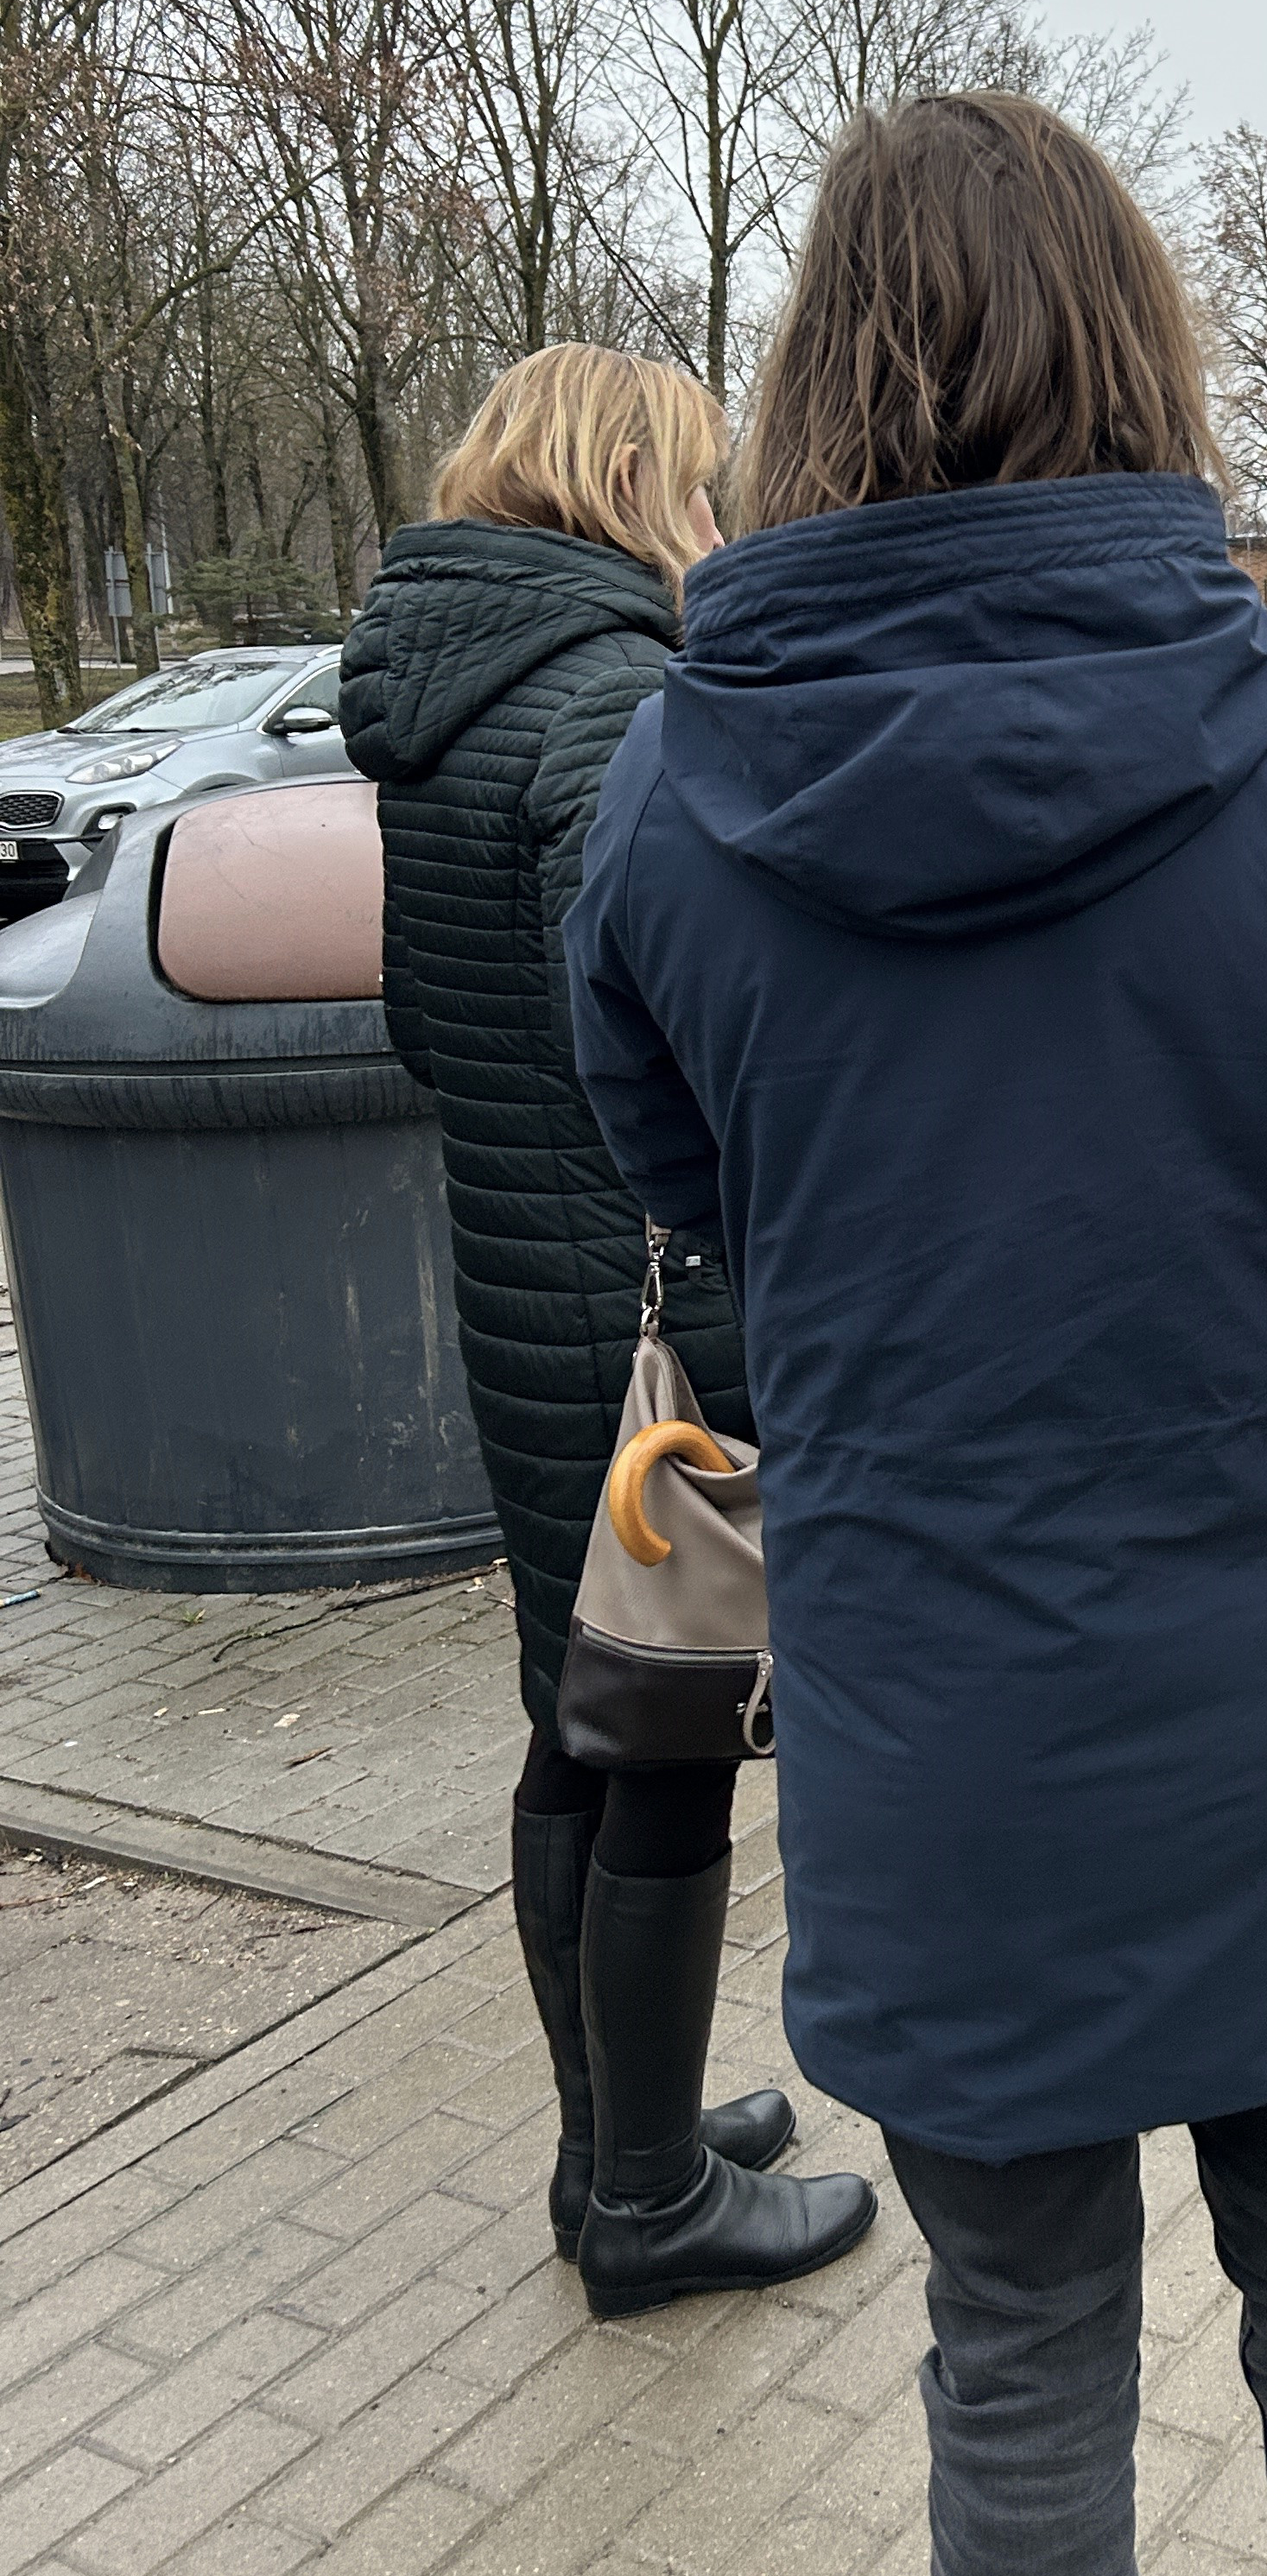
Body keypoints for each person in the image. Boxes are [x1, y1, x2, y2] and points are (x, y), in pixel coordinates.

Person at [562, 95, 1267, 2576]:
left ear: (816, 379)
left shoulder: (666, 818)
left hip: (944, 1743)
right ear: (1146, 347)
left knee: (1018, 2374)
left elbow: (718, 1214)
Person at [339, 346, 876, 2317]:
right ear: (637, 476)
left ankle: (612, 2147)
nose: (722, 520)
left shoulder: (434, 707)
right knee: (665, 1745)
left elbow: (423, 1022)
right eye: (708, 483)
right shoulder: (617, 700)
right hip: (654, 1315)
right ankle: (648, 2208)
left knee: (575, 1729)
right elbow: (669, 1037)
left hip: (517, 1286)